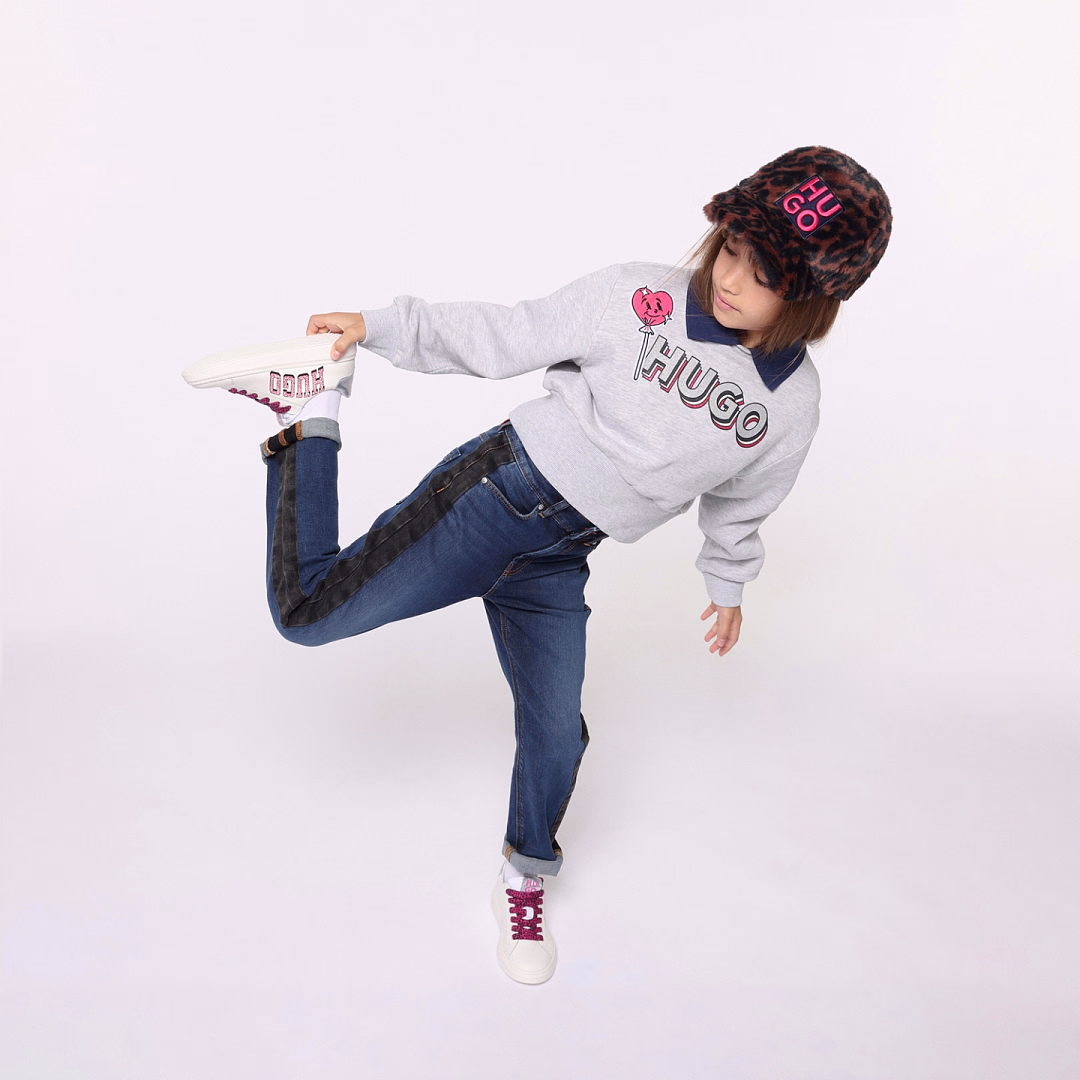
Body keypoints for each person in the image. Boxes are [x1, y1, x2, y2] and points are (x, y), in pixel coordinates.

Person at [182, 146, 892, 985]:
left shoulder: (790, 404)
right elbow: (510, 332)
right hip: (495, 495)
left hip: (561, 554)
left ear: (810, 299)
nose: (730, 278)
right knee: (307, 613)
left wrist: (728, 580)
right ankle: (308, 408)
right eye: (729, 249)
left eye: (762, 274)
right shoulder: (637, 296)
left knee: (558, 729)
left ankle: (525, 873)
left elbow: (744, 499)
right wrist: (382, 327)